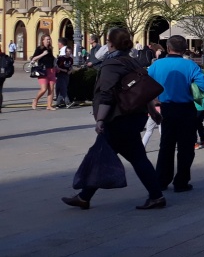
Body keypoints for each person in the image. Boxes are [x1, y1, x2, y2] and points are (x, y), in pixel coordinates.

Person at [61, 27, 167, 211]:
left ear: (110, 44)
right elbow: (143, 90)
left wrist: (100, 120)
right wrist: (153, 111)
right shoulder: (132, 62)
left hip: (118, 118)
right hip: (134, 116)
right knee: (133, 157)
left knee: (102, 155)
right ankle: (155, 196)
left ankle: (84, 197)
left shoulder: (111, 65)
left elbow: (106, 94)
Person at [147, 35, 204, 193]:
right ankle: (181, 181)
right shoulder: (190, 65)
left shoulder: (157, 65)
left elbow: (146, 85)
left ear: (168, 48)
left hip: (166, 108)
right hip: (186, 109)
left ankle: (162, 180)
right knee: (186, 147)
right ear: (184, 49)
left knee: (166, 146)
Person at [30, 34, 56, 110]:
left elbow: (51, 58)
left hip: (51, 70)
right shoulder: (39, 49)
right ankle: (35, 100)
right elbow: (33, 58)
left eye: (49, 39)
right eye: (47, 39)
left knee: (51, 89)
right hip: (42, 71)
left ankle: (49, 105)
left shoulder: (50, 48)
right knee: (44, 89)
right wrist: (43, 54)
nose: (48, 41)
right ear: (43, 40)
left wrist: (55, 63)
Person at [55, 38, 73, 108]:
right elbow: (56, 66)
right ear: (65, 52)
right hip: (60, 74)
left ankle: (58, 103)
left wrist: (70, 71)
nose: (68, 53)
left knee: (61, 88)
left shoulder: (70, 59)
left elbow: (71, 66)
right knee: (63, 88)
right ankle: (67, 102)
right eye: (67, 51)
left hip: (67, 75)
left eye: (70, 51)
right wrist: (62, 70)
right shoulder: (61, 58)